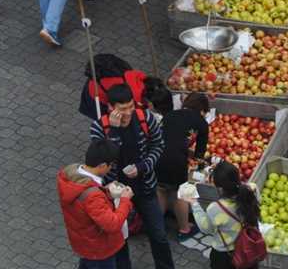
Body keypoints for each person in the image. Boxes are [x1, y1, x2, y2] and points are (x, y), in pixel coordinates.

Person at [89, 84, 174, 269]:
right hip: (116, 194)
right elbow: (102, 160)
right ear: (111, 107)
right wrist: (113, 131)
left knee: (158, 235)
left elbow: (158, 145)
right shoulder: (99, 127)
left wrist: (143, 166)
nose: (128, 113)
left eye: (130, 107)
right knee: (119, 239)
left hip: (145, 187)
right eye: (122, 109)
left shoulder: (145, 118)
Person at [57, 139, 134, 269]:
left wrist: (104, 191)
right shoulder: (93, 196)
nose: (111, 169)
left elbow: (84, 205)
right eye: (111, 166)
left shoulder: (68, 175)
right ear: (103, 165)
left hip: (83, 242)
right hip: (99, 249)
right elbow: (113, 224)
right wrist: (125, 200)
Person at [152, 89, 209, 240]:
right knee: (180, 194)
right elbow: (199, 154)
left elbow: (169, 137)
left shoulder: (170, 114)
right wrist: (199, 170)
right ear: (202, 110)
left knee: (160, 189)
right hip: (176, 162)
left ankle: (156, 226)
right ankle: (184, 228)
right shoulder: (202, 123)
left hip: (156, 156)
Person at [187, 160, 261, 269]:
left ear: (220, 188)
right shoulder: (252, 189)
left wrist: (194, 204)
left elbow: (206, 228)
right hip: (249, 249)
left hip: (225, 256)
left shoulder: (216, 208)